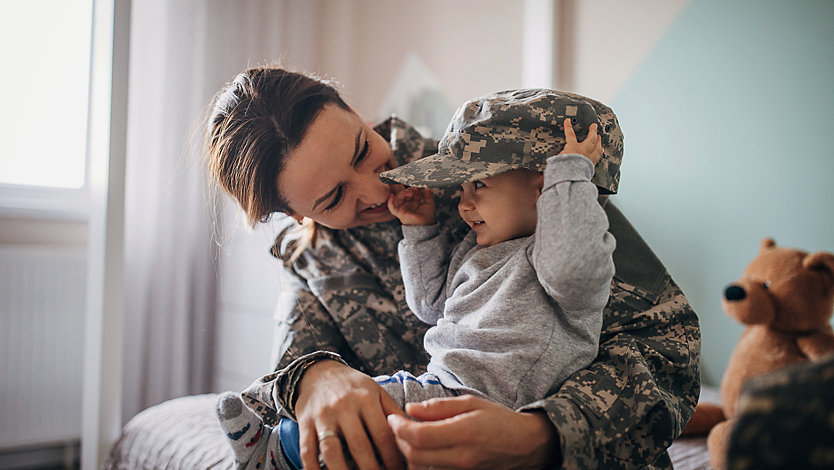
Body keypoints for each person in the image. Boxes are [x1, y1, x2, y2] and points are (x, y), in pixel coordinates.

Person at [205, 66, 701, 470]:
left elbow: (668, 345)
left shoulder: (498, 166)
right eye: (334, 196)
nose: (378, 191)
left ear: (355, 111)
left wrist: (543, 435)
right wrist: (315, 378)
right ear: (297, 214)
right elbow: (279, 384)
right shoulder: (308, 258)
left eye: (362, 149)